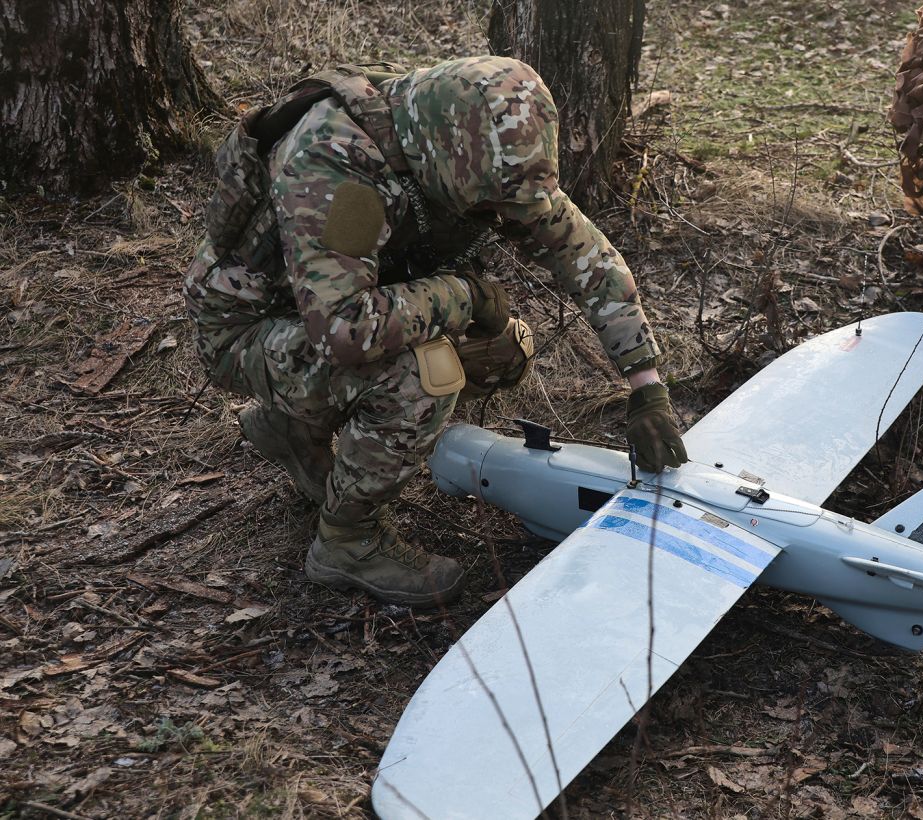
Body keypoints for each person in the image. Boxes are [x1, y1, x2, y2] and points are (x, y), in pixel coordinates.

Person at [183, 56, 687, 608]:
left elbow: (588, 258)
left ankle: (292, 426)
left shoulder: (474, 142)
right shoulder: (334, 158)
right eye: (490, 199)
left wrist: (646, 385)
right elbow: (343, 330)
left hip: (317, 321)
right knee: (425, 372)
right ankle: (347, 540)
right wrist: (460, 296)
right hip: (247, 331)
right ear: (450, 157)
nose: (501, 213)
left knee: (503, 350)